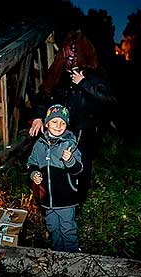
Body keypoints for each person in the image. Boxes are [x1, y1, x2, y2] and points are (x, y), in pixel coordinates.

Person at [28, 29, 116, 204]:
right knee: (55, 167)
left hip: (83, 135)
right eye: (66, 55)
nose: (69, 60)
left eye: (72, 56)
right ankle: (55, 203)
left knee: (79, 169)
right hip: (59, 132)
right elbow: (45, 95)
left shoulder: (93, 73)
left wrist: (84, 83)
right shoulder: (59, 73)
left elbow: (109, 100)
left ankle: (76, 205)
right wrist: (38, 116)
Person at [27, 104, 83, 252]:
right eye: (54, 121)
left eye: (63, 122)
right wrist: (34, 174)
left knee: (67, 227)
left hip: (66, 197)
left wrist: (70, 161)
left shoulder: (70, 144)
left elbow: (79, 169)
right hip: (47, 197)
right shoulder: (39, 144)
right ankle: (58, 253)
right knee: (52, 226)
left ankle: (71, 257)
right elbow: (32, 163)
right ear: (46, 123)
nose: (58, 126)